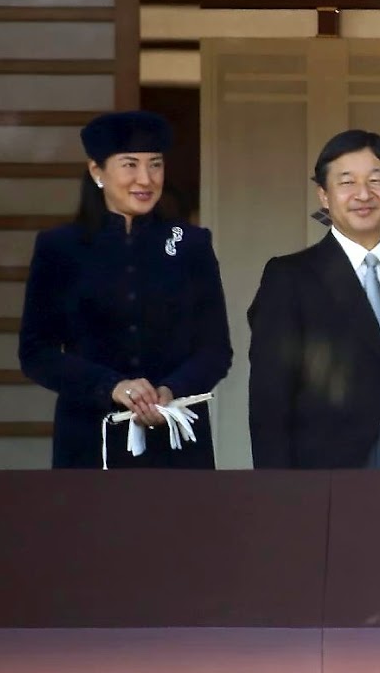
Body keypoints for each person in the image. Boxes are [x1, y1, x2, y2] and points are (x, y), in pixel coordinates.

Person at [19, 111, 232, 469]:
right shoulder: (60, 248)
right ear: (97, 171)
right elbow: (36, 353)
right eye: (129, 165)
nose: (145, 179)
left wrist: (171, 391)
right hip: (89, 437)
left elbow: (215, 349)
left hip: (176, 437)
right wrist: (111, 387)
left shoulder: (190, 243)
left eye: (156, 165)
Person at [247, 129, 380, 469]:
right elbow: (269, 397)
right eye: (347, 182)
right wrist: (278, 491)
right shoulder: (290, 277)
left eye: (376, 180)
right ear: (324, 195)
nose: (363, 194)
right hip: (326, 468)